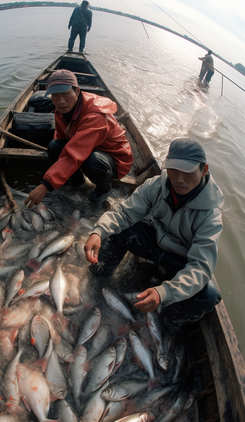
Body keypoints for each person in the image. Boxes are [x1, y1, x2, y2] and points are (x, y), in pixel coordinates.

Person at [84, 138, 224, 326]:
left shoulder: (211, 216)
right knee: (119, 229)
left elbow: (200, 267)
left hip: (180, 258)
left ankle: (169, 321)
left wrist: (164, 292)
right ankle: (97, 277)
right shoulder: (156, 186)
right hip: (154, 242)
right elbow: (124, 212)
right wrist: (98, 232)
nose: (179, 179)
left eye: (188, 172)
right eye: (174, 170)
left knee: (209, 296)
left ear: (204, 170)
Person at [25, 69, 133, 207]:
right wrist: (60, 170)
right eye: (55, 96)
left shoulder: (95, 116)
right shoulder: (61, 109)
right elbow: (62, 136)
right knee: (54, 146)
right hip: (84, 145)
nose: (61, 101)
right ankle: (77, 180)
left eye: (65, 94)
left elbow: (75, 152)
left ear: (77, 91)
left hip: (114, 157)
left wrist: (45, 185)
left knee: (92, 160)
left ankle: (103, 189)